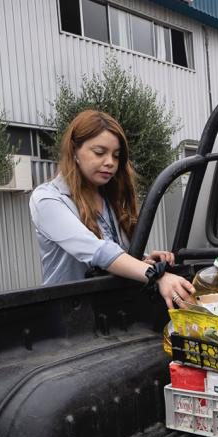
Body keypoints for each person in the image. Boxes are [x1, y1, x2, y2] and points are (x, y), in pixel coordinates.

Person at [30, 110, 196, 309]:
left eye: (116, 156)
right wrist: (155, 275)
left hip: (110, 311)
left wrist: (144, 261)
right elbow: (97, 251)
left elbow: (114, 255)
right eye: (99, 153)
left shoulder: (109, 199)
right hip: (69, 319)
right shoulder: (47, 199)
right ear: (74, 150)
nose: (110, 162)